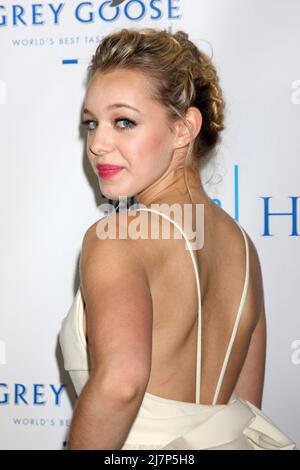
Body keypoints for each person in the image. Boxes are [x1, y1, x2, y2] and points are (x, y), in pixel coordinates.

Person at [59, 27, 297, 450]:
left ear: (184, 128)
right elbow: (244, 404)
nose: (97, 143)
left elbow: (121, 385)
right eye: (92, 123)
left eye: (124, 121)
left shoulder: (118, 236)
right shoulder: (243, 248)